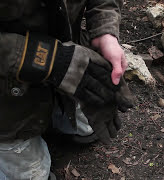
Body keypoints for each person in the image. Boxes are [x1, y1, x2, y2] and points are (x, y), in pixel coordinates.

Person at [0, 0, 133, 179]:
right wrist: (50, 61)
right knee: (29, 173)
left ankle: (60, 107)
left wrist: (105, 30)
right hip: (8, 87)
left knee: (86, 124)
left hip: (70, 47)